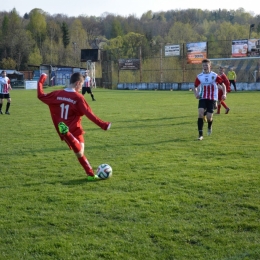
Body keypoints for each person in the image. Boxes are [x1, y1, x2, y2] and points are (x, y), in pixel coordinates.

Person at [37, 72, 111, 181]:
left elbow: (40, 95)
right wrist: (103, 125)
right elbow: (89, 113)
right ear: (77, 83)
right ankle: (90, 174)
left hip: (63, 128)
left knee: (80, 153)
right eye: (81, 85)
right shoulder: (78, 98)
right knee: (80, 152)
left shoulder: (56, 94)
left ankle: (90, 175)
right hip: (74, 129)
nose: (81, 88)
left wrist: (42, 78)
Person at [194, 59, 226, 141]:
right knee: (200, 113)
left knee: (209, 118)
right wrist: (196, 93)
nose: (205, 67)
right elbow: (195, 86)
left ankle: (209, 126)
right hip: (203, 97)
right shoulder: (199, 76)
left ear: (210, 66)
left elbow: (223, 85)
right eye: (203, 65)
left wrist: (224, 94)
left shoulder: (214, 75)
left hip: (212, 98)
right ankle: (200, 135)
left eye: (206, 65)